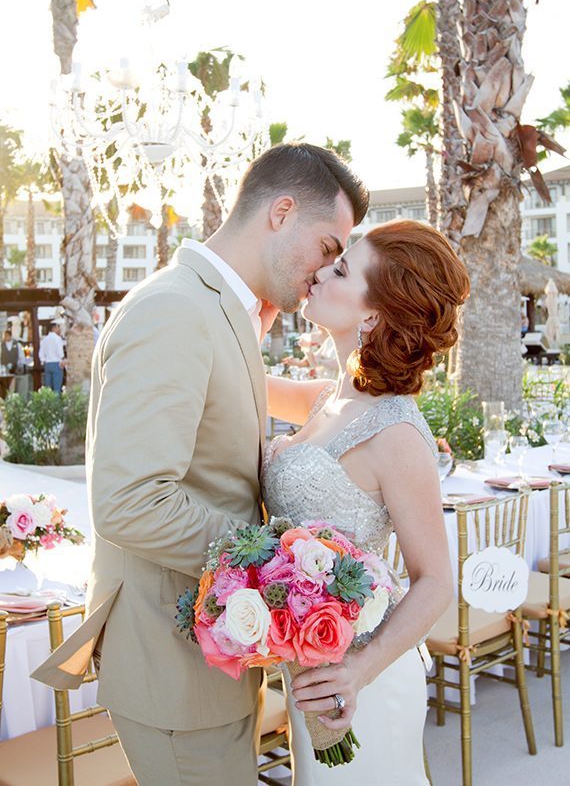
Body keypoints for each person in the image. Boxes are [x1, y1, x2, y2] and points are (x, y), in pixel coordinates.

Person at [32, 142, 369, 786]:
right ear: (282, 212)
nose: (327, 270)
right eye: (328, 247)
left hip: (206, 653)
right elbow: (132, 500)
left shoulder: (222, 310)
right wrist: (277, 564)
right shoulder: (175, 310)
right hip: (173, 662)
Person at [263, 219, 470, 785]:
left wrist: (358, 670)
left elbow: (434, 581)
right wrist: (257, 305)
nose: (320, 272)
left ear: (373, 314)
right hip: (309, 669)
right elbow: (237, 379)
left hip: (361, 682)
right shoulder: (329, 398)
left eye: (341, 269)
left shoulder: (395, 431)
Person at [38, 322, 66, 393]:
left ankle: (49, 403)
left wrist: (43, 361)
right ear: (54, 328)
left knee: (48, 388)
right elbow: (60, 352)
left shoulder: (44, 339)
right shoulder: (57, 338)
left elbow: (41, 353)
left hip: (47, 364)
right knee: (57, 387)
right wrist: (62, 359)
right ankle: (57, 403)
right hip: (57, 363)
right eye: (58, 327)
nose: (59, 329)